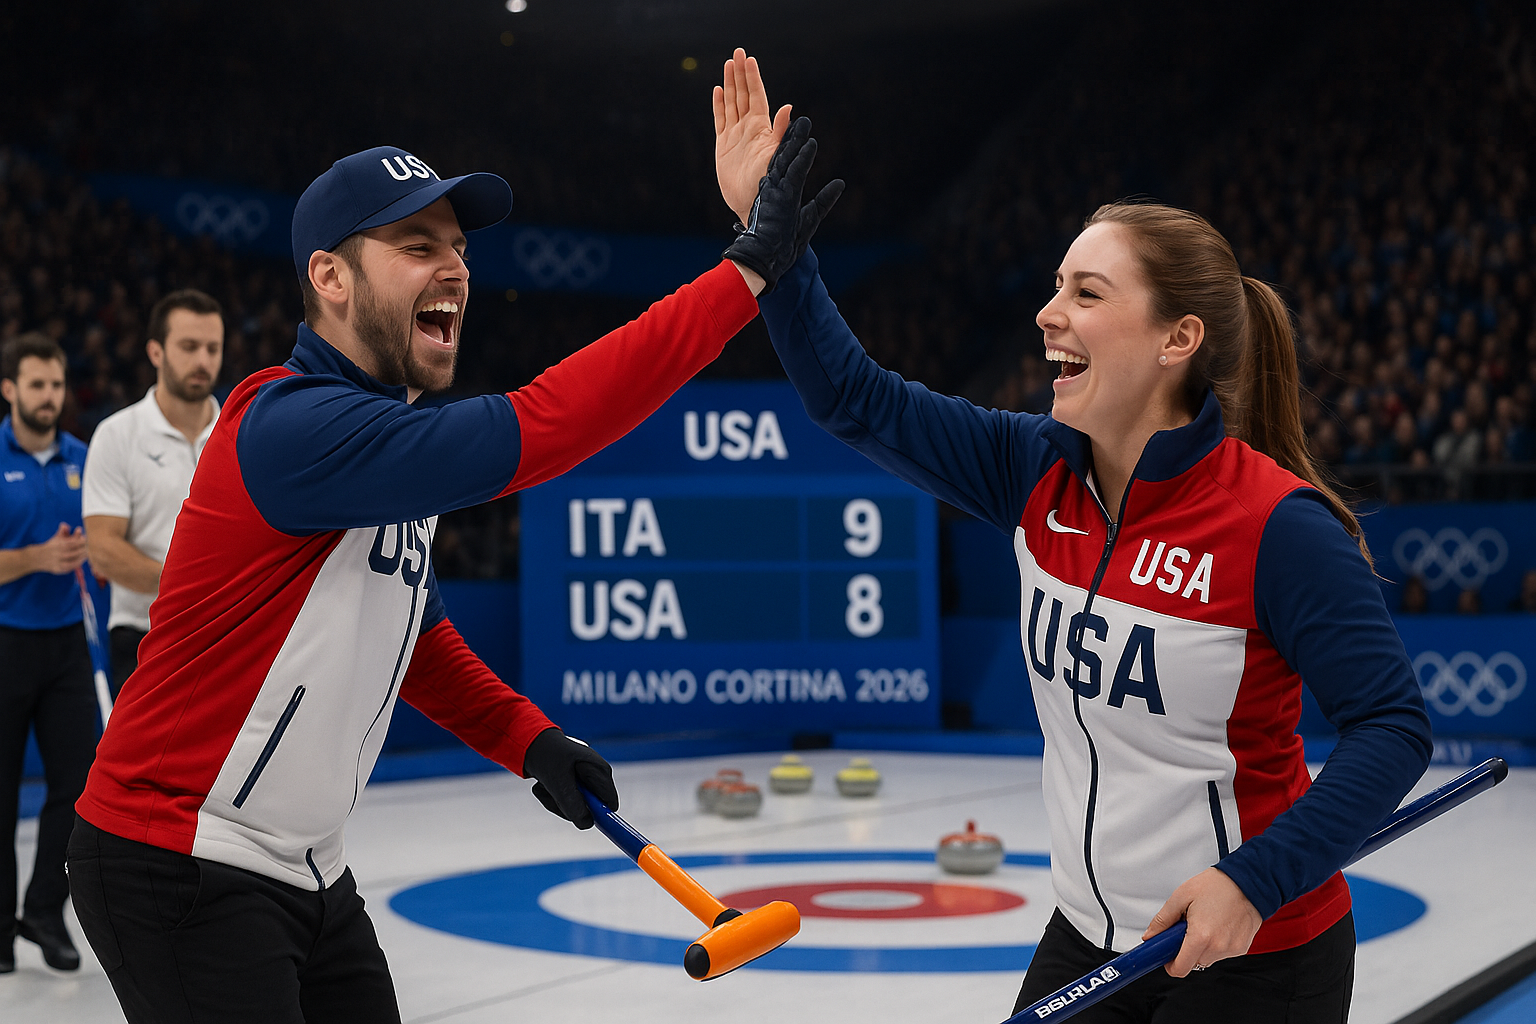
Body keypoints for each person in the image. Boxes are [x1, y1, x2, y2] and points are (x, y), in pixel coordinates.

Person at [716, 55, 1432, 1023]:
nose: (1049, 313)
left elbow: (1393, 727)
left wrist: (1255, 880)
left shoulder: (1276, 525)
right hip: (1093, 932)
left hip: (1253, 951)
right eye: (1057, 286)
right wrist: (778, 256)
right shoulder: (1031, 467)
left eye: (1087, 293)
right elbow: (854, 398)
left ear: (1179, 339)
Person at [66, 125, 831, 1023]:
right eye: (416, 245)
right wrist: (742, 271)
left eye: (460, 248)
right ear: (330, 278)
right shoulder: (289, 425)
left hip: (307, 867)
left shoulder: (384, 442)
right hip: (179, 859)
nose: (456, 268)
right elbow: (547, 424)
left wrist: (526, 738)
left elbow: (411, 640)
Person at [0, 333, 94, 974]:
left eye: (56, 385)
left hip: (66, 647)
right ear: (9, 389)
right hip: (5, 638)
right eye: (36, 385)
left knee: (76, 789)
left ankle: (42, 911)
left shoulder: (83, 458)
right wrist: (36, 558)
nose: (48, 397)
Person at [82, 289, 224, 696]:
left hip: (229, 638)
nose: (203, 361)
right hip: (145, 635)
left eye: (213, 348)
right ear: (155, 352)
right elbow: (103, 549)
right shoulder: (117, 434)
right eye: (189, 347)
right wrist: (190, 592)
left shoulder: (242, 435)